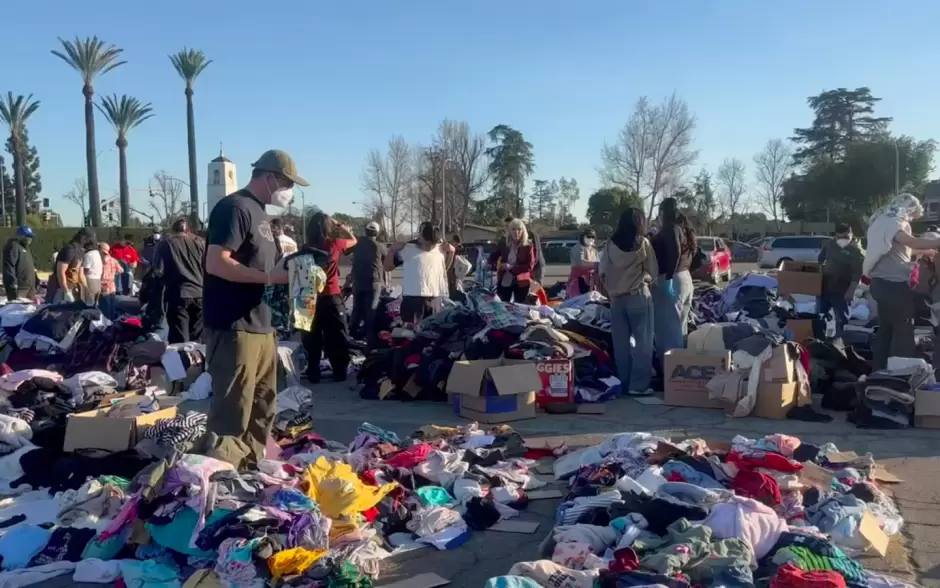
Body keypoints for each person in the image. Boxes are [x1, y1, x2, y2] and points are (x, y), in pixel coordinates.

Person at [201, 149, 303, 469]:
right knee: (233, 413)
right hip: (235, 327)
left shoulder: (261, 215)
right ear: (269, 176)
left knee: (262, 408)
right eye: (287, 183)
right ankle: (221, 478)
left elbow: (264, 268)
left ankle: (251, 471)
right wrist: (269, 276)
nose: (289, 191)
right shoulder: (234, 207)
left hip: (261, 326)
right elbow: (217, 262)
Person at [863, 193, 940, 370]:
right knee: (903, 331)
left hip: (881, 284)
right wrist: (936, 242)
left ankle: (879, 371)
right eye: (912, 216)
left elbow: (900, 251)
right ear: (908, 209)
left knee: (885, 330)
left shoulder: (881, 222)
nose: (911, 220)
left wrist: (926, 251)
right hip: (894, 286)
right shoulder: (893, 222)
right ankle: (900, 374)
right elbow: (910, 241)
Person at [600, 208, 658, 396]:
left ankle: (623, 383)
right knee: (643, 343)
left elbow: (602, 272)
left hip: (616, 300)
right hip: (638, 296)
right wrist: (647, 280)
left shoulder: (609, 245)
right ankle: (638, 385)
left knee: (621, 344)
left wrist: (611, 290)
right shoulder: (643, 244)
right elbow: (654, 271)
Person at [301, 212, 357, 382]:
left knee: (311, 338)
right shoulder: (334, 244)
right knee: (336, 336)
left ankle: (313, 372)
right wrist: (340, 226)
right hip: (331, 295)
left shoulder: (304, 248)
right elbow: (354, 241)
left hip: (308, 296)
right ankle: (339, 371)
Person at [387, 221, 454, 323]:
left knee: (432, 333)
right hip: (412, 299)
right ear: (420, 237)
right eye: (428, 243)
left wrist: (451, 254)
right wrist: (392, 251)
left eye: (433, 243)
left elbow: (443, 270)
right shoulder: (408, 249)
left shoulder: (440, 249)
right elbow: (387, 267)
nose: (430, 247)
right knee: (412, 334)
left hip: (434, 299)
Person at [650, 197, 691, 355]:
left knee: (667, 331)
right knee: (679, 328)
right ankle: (680, 370)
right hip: (684, 278)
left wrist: (668, 279)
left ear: (662, 212)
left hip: (672, 279)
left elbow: (675, 252)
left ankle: (670, 373)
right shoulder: (683, 228)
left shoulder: (670, 228)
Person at [156, 218, 206, 343]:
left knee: (180, 337)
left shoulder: (166, 244)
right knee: (197, 337)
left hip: (178, 293)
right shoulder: (200, 243)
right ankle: (197, 360)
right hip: (200, 293)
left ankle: (182, 360)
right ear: (188, 230)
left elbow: (158, 270)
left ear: (172, 230)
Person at [817, 223, 864, 340]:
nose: (842, 240)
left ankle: (840, 343)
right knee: (820, 316)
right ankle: (820, 341)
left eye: (845, 237)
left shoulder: (856, 250)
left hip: (842, 289)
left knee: (842, 319)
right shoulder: (830, 245)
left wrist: (851, 291)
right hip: (825, 286)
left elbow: (857, 273)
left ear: (851, 234)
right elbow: (819, 261)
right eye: (839, 237)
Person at [350, 221, 386, 341]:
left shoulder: (357, 244)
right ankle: (369, 337)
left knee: (357, 310)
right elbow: (387, 261)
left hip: (358, 282)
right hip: (373, 282)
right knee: (371, 311)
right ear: (377, 232)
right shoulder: (379, 246)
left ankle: (352, 335)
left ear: (366, 231)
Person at [489, 218, 536, 303]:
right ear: (509, 231)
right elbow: (493, 257)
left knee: (520, 306)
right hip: (505, 279)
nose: (516, 232)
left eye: (519, 229)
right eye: (513, 229)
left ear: (523, 231)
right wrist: (497, 265)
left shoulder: (528, 245)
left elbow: (530, 266)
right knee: (503, 304)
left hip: (522, 281)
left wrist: (511, 267)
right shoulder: (504, 243)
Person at [47, 228, 96, 304]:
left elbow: (81, 274)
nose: (89, 243)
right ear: (83, 238)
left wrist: (87, 291)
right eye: (88, 240)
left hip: (73, 288)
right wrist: (66, 291)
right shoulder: (69, 249)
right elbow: (61, 272)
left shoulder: (81, 252)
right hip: (60, 289)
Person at [673, 212, 697, 335]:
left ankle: (675, 353)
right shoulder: (689, 237)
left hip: (677, 278)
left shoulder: (675, 235)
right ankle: (683, 350)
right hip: (687, 277)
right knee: (682, 322)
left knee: (674, 322)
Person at [2, 226, 36, 301]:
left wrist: (36, 282)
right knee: (17, 311)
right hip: (19, 288)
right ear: (20, 235)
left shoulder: (26, 249)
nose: (29, 239)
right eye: (27, 236)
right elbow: (9, 266)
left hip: (29, 288)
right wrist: (12, 285)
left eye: (30, 236)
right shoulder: (13, 246)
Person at [567, 228, 598, 298]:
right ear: (582, 237)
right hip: (578, 282)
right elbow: (580, 263)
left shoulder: (594, 250)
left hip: (591, 281)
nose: (591, 239)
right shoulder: (578, 248)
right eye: (589, 236)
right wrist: (597, 264)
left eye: (593, 237)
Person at [82, 239, 103, 305]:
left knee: (89, 302)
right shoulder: (97, 253)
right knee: (95, 302)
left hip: (90, 279)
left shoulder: (88, 255)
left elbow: (86, 269)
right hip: (97, 279)